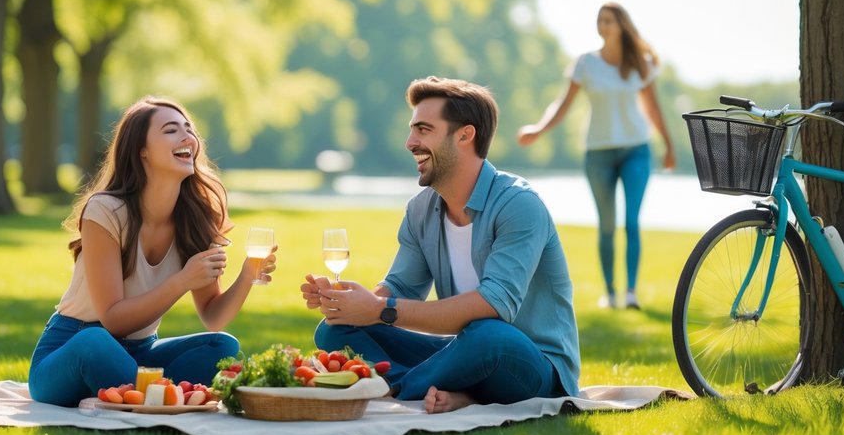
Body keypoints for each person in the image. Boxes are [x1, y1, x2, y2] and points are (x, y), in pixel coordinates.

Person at [300, 76, 580, 414]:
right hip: (461, 353)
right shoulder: (421, 210)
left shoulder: (518, 205)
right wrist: (352, 304)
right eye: (412, 130)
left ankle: (399, 388)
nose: (409, 142)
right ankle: (452, 391)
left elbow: (494, 305)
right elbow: (400, 290)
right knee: (334, 331)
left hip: (530, 365)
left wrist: (377, 309)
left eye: (423, 129)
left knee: (488, 334)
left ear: (464, 135)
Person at [29, 96, 276, 407]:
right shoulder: (105, 211)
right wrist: (182, 281)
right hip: (72, 350)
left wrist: (246, 276)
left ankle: (137, 391)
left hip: (141, 352)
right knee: (95, 342)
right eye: (171, 130)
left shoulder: (196, 218)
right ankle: (157, 395)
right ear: (141, 150)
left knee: (221, 346)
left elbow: (213, 317)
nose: (188, 137)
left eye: (189, 129)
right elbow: (114, 320)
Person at [517, 2, 675, 310]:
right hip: (598, 153)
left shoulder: (640, 63)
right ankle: (610, 293)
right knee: (606, 224)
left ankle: (631, 293)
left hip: (636, 150)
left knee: (631, 221)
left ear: (622, 26)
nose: (603, 26)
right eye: (600, 20)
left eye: (609, 21)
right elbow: (563, 104)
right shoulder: (585, 64)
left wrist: (668, 145)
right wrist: (538, 129)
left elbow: (654, 108)